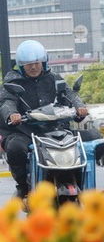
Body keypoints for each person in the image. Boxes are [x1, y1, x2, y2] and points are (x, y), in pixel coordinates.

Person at [0, 40, 88, 199]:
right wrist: (12, 114)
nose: (33, 67)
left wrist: (79, 107)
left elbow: (69, 94)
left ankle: (83, 185)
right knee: (14, 148)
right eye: (28, 64)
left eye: (36, 63)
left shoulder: (54, 78)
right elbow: (7, 101)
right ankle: (23, 188)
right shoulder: (13, 82)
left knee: (94, 139)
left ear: (44, 62)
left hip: (55, 129)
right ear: (21, 66)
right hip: (25, 131)